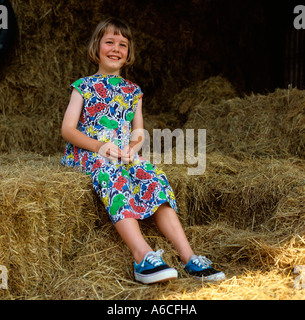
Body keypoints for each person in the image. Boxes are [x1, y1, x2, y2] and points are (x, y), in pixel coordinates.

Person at [61, 17, 225, 284]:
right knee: (111, 173)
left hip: (122, 154)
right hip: (90, 153)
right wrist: (101, 147)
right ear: (96, 47)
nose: (116, 48)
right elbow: (67, 130)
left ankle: (189, 258)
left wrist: (132, 149)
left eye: (122, 44)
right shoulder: (83, 87)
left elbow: (138, 132)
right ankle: (142, 256)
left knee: (154, 177)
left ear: (128, 54)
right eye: (109, 42)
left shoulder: (133, 91)